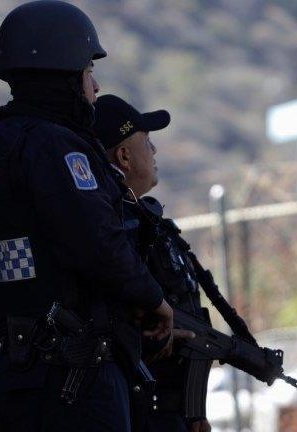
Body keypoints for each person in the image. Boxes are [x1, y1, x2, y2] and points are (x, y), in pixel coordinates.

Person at [0, 2, 174, 431]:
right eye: (88, 70)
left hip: (10, 376)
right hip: (74, 378)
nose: (94, 86)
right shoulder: (57, 148)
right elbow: (100, 246)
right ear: (67, 72)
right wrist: (154, 300)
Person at [93, 94, 212, 432]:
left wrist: (194, 412)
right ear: (124, 156)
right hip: (141, 409)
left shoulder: (149, 225)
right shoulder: (116, 233)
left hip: (171, 410)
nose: (155, 151)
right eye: (147, 141)